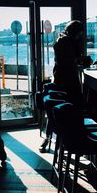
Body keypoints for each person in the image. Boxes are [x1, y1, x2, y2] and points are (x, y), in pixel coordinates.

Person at [39, 20, 86, 152]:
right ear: (75, 32)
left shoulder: (63, 40)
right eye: (79, 34)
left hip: (62, 79)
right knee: (64, 109)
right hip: (66, 81)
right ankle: (67, 138)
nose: (80, 37)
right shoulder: (65, 42)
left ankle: (52, 139)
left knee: (58, 110)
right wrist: (79, 59)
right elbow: (66, 61)